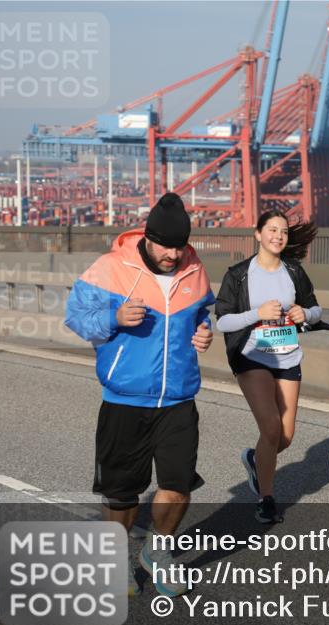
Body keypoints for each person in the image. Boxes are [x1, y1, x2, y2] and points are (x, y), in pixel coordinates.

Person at [64, 192, 215, 597]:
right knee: (121, 495)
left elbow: (202, 312)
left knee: (178, 486)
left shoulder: (194, 267)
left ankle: (158, 553)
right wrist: (113, 318)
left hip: (179, 398)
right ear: (148, 237)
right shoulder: (111, 268)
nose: (173, 253)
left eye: (180, 245)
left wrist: (204, 332)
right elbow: (75, 317)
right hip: (125, 400)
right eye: (166, 244)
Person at [214, 210, 324, 524]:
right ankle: (266, 497)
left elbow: (315, 307)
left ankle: (254, 458)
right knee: (271, 428)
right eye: (272, 230)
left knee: (285, 437)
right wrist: (257, 313)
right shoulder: (239, 274)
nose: (278, 236)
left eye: (284, 232)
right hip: (252, 356)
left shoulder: (293, 271)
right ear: (258, 234)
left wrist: (308, 315)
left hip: (288, 356)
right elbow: (223, 320)